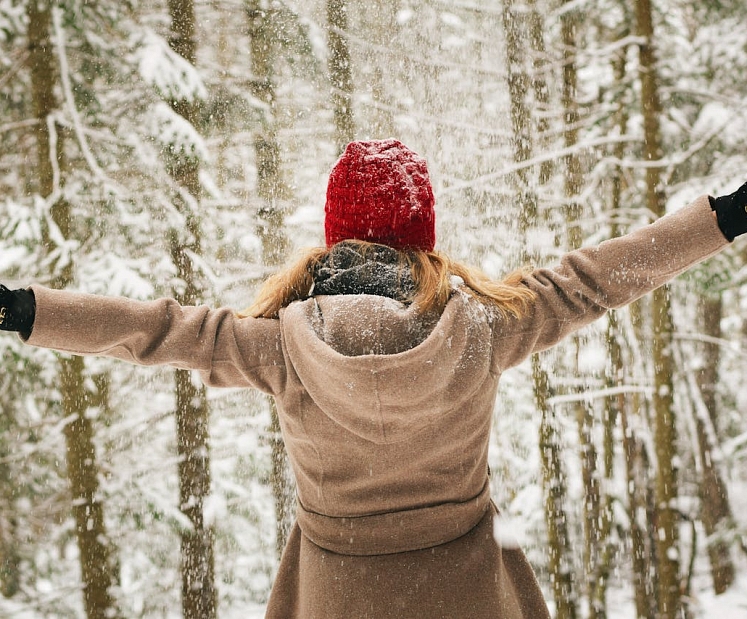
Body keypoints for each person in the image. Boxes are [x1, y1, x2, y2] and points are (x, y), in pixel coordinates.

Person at [1, 138, 746, 618]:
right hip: (468, 597)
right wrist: (723, 217)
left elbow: (155, 329)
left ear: (335, 234)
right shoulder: (484, 329)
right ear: (423, 236)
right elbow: (594, 281)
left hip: (336, 598)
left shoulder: (279, 346)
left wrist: (26, 310)